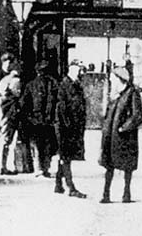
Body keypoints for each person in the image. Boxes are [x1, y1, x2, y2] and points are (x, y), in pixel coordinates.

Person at [99, 67, 142, 204]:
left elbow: (138, 115)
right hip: (111, 136)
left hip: (125, 137)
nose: (112, 83)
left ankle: (126, 194)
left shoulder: (132, 93)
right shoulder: (116, 95)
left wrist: (124, 128)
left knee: (127, 167)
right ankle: (106, 195)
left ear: (121, 80)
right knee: (109, 165)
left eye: (114, 80)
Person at [54, 62, 87, 198]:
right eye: (79, 71)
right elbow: (62, 110)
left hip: (72, 126)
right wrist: (69, 127)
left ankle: (58, 184)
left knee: (65, 156)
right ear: (72, 70)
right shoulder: (65, 86)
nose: (81, 74)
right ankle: (70, 187)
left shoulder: (74, 85)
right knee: (66, 156)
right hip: (66, 127)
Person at [21, 60, 58, 178]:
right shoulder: (50, 84)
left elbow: (24, 103)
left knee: (41, 145)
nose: (42, 74)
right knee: (42, 145)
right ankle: (41, 168)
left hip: (42, 120)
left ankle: (42, 169)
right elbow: (24, 103)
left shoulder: (47, 84)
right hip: (41, 120)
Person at [0, 53, 21, 175]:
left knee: (3, 139)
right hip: (2, 110)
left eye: (11, 63)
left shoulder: (5, 76)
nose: (9, 65)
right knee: (3, 138)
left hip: (4, 110)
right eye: (7, 63)